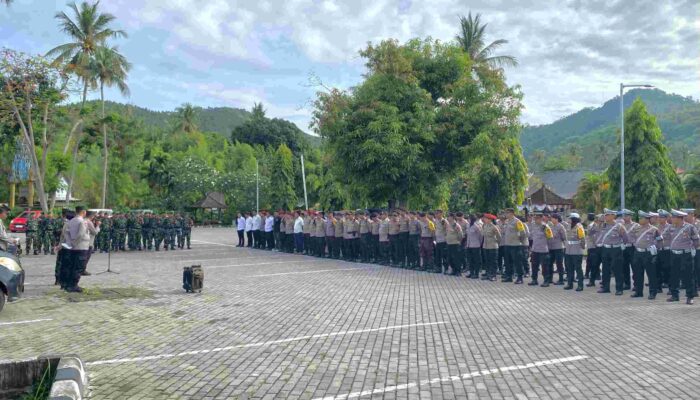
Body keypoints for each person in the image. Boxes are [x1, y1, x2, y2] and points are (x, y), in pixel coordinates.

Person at [665, 209, 698, 304]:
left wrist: (692, 249)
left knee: (688, 276)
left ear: (679, 218)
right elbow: (664, 237)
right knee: (674, 275)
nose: (671, 219)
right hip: (674, 254)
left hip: (685, 255)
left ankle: (690, 297)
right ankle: (675, 295)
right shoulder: (670, 227)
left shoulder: (690, 227)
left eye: (673, 217)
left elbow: (696, 241)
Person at [628, 211, 662, 299]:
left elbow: (660, 241)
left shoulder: (654, 229)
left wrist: (656, 253)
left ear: (647, 220)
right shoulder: (636, 229)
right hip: (638, 253)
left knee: (651, 274)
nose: (639, 220)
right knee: (638, 274)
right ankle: (639, 292)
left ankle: (652, 292)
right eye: (639, 218)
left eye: (641, 218)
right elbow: (630, 237)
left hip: (648, 253)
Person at [597, 209, 629, 295]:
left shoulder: (619, 226)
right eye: (605, 215)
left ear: (613, 216)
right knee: (605, 269)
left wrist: (621, 245)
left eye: (607, 215)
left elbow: (625, 238)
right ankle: (605, 287)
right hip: (605, 249)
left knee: (617, 269)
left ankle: (619, 289)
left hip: (616, 249)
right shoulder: (603, 225)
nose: (605, 216)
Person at [66, 206, 91, 292]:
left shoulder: (71, 221)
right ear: (83, 212)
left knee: (72, 266)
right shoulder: (82, 221)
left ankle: (69, 285)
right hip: (81, 246)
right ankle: (73, 285)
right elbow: (81, 234)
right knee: (78, 267)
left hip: (73, 247)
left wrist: (70, 243)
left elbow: (67, 233)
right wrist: (75, 243)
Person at [502, 208, 527, 284]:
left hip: (515, 245)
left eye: (507, 213)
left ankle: (520, 278)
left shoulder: (517, 222)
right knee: (508, 262)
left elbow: (523, 233)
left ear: (512, 213)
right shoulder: (507, 221)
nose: (506, 214)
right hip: (507, 244)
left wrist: (520, 241)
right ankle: (509, 276)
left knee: (517, 262)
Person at [564, 213, 586, 291]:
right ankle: (570, 284)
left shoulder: (579, 227)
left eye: (570, 219)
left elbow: (582, 239)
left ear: (574, 219)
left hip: (577, 251)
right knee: (569, 269)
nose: (569, 220)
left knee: (578, 269)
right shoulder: (568, 226)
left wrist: (582, 249)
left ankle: (580, 285)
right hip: (569, 251)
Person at [528, 212, 552, 286]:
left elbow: (550, 237)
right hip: (535, 249)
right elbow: (531, 236)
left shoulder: (545, 226)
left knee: (544, 267)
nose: (535, 220)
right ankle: (534, 280)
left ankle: (546, 281)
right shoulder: (533, 225)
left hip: (543, 250)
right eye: (535, 218)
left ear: (541, 218)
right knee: (534, 266)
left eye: (537, 218)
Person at [620, 209, 638, 291]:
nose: (624, 217)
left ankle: (636, 284)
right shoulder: (620, 225)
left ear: (630, 216)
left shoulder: (636, 225)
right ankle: (626, 283)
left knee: (635, 267)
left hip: (632, 247)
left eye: (626, 216)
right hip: (624, 247)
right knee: (624, 266)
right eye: (624, 216)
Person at [547, 214, 567, 285]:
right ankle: (550, 279)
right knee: (550, 263)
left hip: (559, 247)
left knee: (559, 264)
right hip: (551, 247)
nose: (551, 220)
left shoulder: (561, 226)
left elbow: (564, 237)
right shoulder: (551, 226)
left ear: (556, 219)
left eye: (552, 218)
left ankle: (561, 280)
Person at [481, 213, 501, 281]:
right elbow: (482, 234)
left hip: (493, 246)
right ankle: (488, 274)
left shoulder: (494, 227)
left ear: (490, 220)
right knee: (487, 261)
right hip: (486, 246)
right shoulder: (484, 226)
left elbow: (499, 237)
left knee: (493, 262)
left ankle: (493, 275)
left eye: (486, 218)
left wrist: (497, 243)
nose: (484, 219)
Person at [465, 214, 483, 279]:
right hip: (469, 245)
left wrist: (479, 244)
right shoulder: (468, 225)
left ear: (472, 219)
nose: (468, 220)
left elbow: (480, 236)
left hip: (476, 245)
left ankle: (476, 274)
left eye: (469, 219)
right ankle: (471, 273)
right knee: (470, 260)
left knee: (476, 260)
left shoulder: (476, 226)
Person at [83, 211, 100, 276]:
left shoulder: (84, 220)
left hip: (85, 241)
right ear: (91, 216)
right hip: (89, 242)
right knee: (86, 257)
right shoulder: (89, 222)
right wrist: (98, 225)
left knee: (84, 256)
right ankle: (83, 270)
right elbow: (95, 232)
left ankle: (82, 269)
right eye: (93, 216)